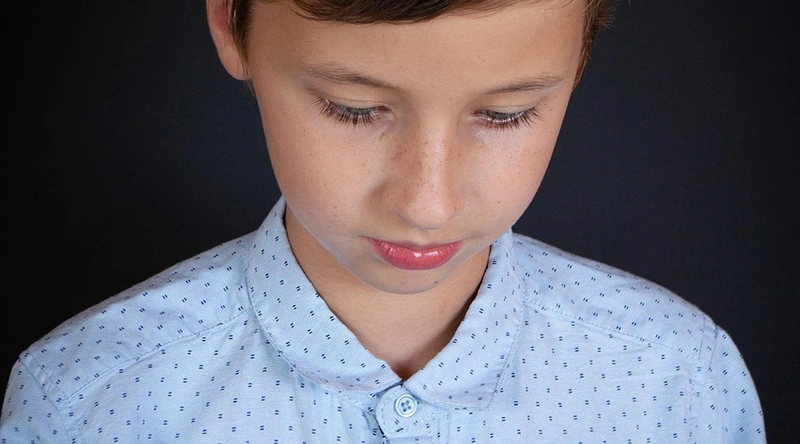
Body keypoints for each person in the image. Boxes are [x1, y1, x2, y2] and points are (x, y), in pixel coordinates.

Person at [1, 0, 765, 442]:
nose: (428, 205)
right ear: (231, 23)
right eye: (354, 108)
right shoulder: (84, 400)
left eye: (506, 114)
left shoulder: (679, 381)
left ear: (582, 56)